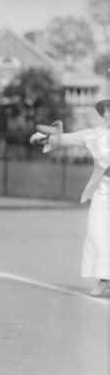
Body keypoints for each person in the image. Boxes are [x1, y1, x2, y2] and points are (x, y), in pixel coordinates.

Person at [30, 99, 110, 296]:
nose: (108, 114)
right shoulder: (95, 135)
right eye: (106, 111)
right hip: (104, 191)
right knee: (97, 232)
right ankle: (106, 278)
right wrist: (43, 137)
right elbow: (64, 139)